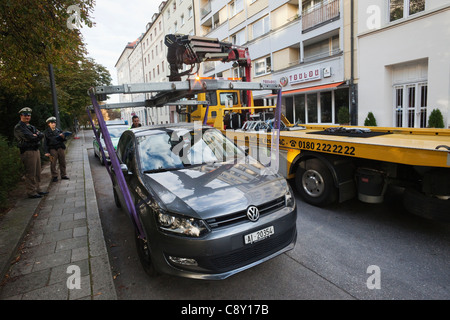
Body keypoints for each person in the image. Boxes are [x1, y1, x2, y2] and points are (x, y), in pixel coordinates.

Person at [14, 107, 49, 199]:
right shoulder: (19, 127)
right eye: (25, 115)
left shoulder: (31, 126)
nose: (27, 117)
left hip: (35, 150)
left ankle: (38, 189)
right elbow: (30, 137)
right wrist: (35, 136)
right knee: (31, 172)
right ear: (21, 115)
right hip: (28, 151)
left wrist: (36, 135)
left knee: (37, 171)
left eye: (29, 115)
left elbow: (41, 134)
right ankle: (31, 192)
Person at [44, 116, 69, 182]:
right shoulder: (47, 132)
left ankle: (63, 174)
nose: (53, 124)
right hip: (52, 149)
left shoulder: (58, 130)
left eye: (54, 123)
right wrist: (46, 152)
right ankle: (54, 176)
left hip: (60, 147)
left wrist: (63, 137)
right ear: (49, 124)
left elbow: (64, 139)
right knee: (53, 163)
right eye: (52, 123)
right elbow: (45, 143)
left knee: (62, 162)